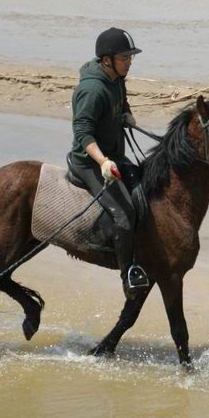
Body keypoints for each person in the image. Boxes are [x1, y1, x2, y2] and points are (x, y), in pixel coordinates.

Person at [68, 27, 149, 293]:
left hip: (115, 155)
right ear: (106, 60)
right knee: (124, 214)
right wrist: (102, 161)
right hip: (89, 163)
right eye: (125, 57)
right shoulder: (92, 91)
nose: (129, 62)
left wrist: (127, 114)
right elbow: (82, 132)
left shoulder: (117, 78)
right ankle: (128, 275)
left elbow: (121, 101)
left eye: (130, 57)